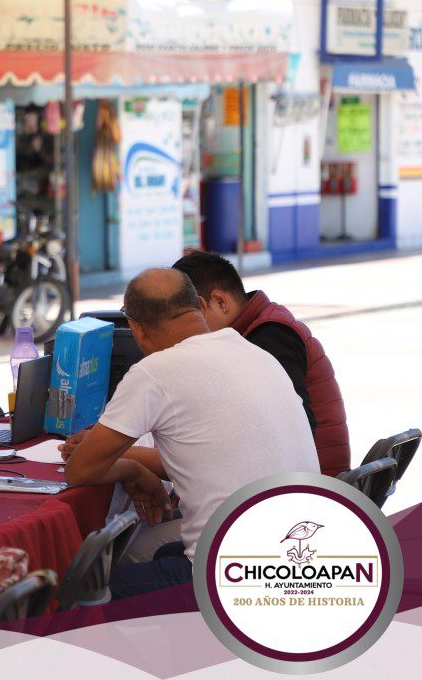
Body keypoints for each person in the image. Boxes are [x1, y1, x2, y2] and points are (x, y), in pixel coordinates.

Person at [60, 268, 319, 599]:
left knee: (73, 589)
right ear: (199, 304)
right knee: (159, 554)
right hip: (303, 561)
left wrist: (130, 468)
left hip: (232, 578)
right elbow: (218, 455)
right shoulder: (256, 354)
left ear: (136, 330)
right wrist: (137, 467)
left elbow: (79, 470)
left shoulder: (155, 373)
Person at [173, 250, 350, 477]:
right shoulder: (259, 326)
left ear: (219, 301)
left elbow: (293, 426)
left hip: (311, 483)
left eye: (189, 317)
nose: (186, 332)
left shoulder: (269, 335)